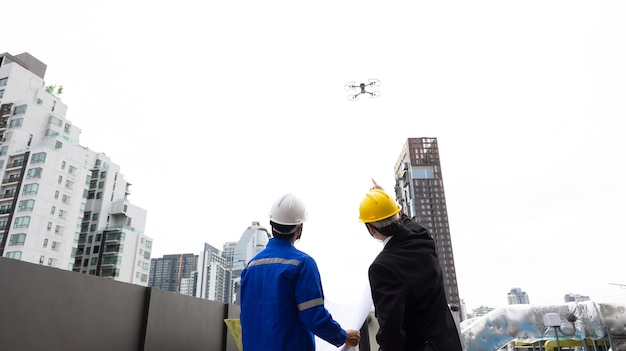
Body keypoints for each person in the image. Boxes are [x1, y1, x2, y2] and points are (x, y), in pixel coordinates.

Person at [240, 193, 360, 351]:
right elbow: (313, 316)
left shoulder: (250, 266)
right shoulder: (302, 263)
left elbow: (247, 316)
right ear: (299, 228)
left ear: (271, 223)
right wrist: (343, 336)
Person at [358, 180, 463, 351]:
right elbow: (404, 222)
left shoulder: (382, 267)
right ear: (398, 214)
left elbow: (391, 330)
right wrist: (386, 201)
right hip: (447, 344)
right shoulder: (422, 237)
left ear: (370, 229)